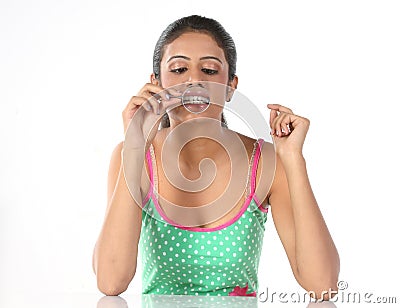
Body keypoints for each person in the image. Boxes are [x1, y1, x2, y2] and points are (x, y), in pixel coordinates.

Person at [92, 15, 340, 298]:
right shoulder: (132, 156)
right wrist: (135, 149)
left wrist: (293, 158)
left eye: (209, 70)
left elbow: (323, 286)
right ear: (156, 83)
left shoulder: (266, 164)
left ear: (231, 86)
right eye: (179, 69)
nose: (195, 80)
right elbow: (110, 283)